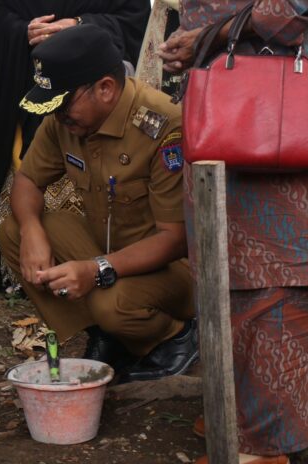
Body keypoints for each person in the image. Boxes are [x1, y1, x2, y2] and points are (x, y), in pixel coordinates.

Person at [0, 25, 198, 383]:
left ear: (105, 88)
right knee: (14, 231)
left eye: (64, 104)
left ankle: (174, 337)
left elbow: (175, 239)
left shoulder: (163, 125)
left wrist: (95, 270)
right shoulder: (67, 119)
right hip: (107, 250)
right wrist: (31, 230)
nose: (57, 116)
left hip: (172, 269)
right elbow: (27, 180)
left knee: (112, 303)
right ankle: (108, 336)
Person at [159, 1, 308, 462]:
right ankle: (241, 417)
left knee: (274, 290)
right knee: (227, 280)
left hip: (276, 116)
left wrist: (216, 34)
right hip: (233, 115)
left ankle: (269, 444)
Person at [0, 0, 151, 291]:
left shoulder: (159, 121)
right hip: (23, 81)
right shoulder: (56, 122)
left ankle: (94, 272)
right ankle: (20, 271)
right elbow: (3, 13)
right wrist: (22, 31)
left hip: (86, 87)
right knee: (22, 175)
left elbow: (134, 17)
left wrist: (79, 27)